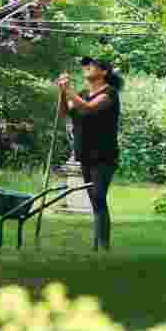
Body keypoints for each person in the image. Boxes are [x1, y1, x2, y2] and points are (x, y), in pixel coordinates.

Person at [56, 56, 121, 251]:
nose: (87, 68)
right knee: (94, 198)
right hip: (85, 153)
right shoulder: (83, 93)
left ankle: (103, 244)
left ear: (103, 72)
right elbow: (64, 112)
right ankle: (100, 243)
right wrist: (62, 93)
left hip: (104, 155)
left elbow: (90, 108)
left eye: (91, 66)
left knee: (99, 196)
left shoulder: (109, 93)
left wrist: (68, 90)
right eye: (86, 66)